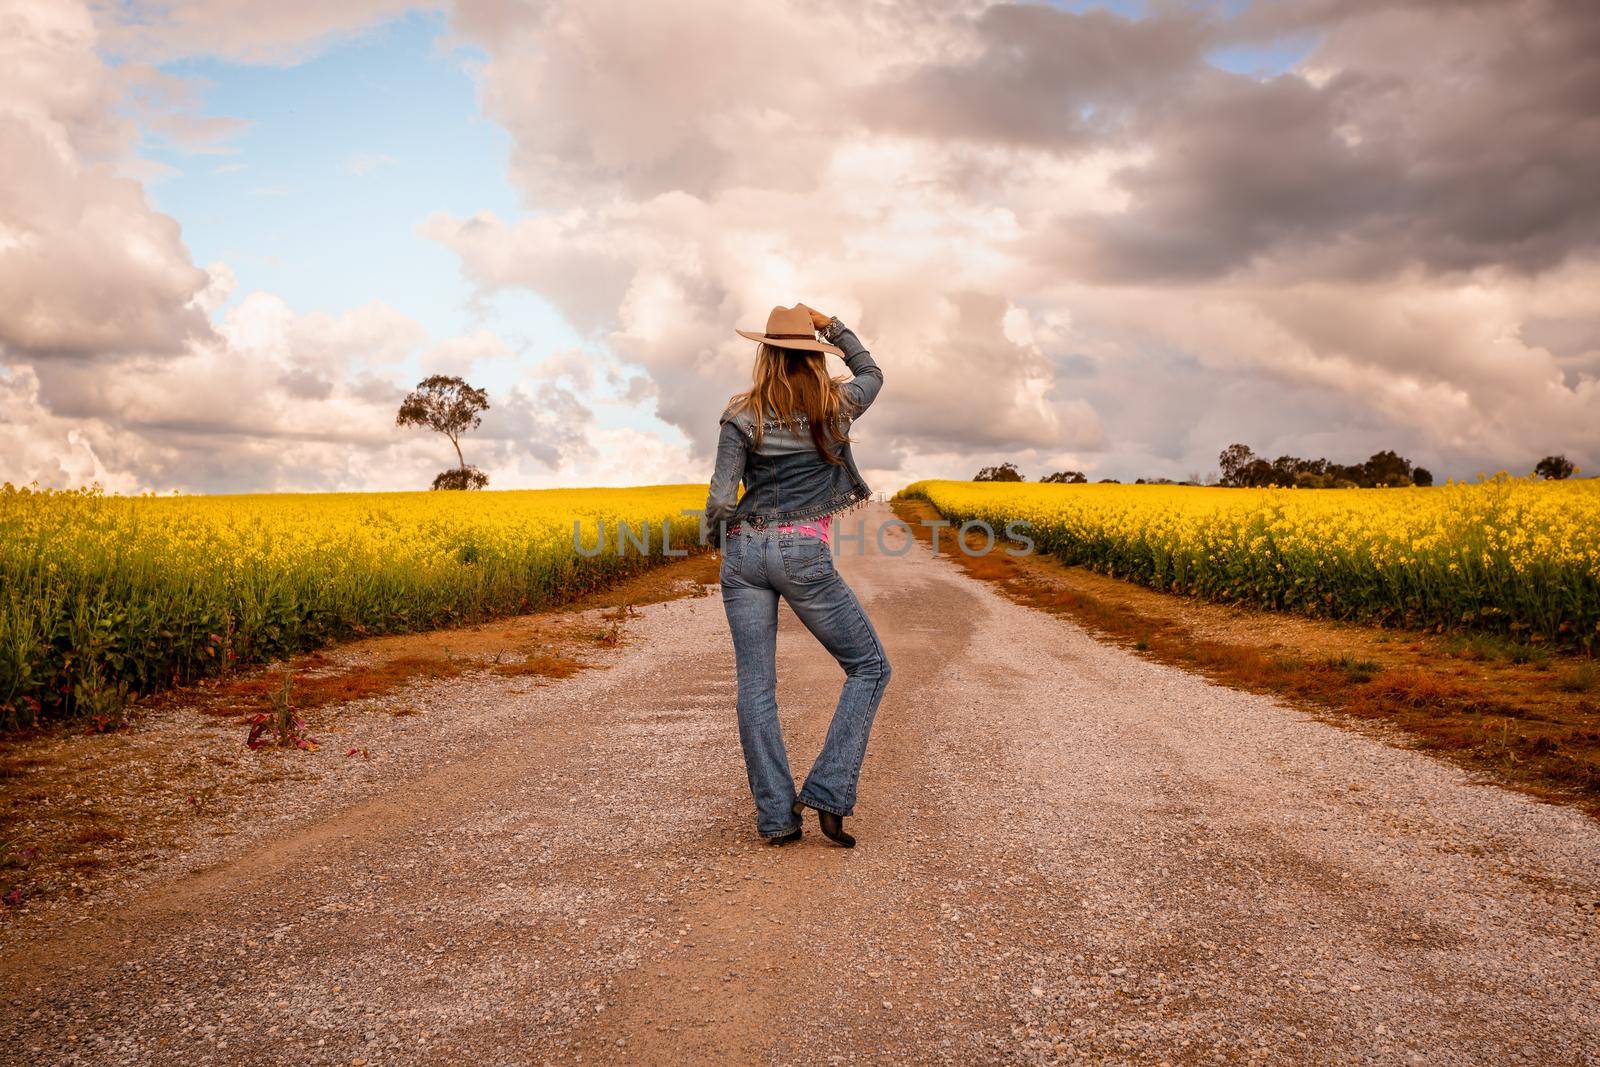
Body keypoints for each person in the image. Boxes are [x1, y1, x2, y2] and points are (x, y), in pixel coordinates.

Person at [704, 302, 891, 848]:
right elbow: (873, 373)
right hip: (802, 554)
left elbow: (720, 499)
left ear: (764, 354)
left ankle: (778, 820)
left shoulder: (741, 413)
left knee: (756, 689)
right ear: (814, 358)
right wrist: (831, 325)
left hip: (743, 552)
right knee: (869, 668)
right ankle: (830, 794)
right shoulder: (838, 404)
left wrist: (729, 550)